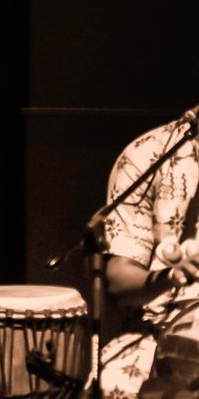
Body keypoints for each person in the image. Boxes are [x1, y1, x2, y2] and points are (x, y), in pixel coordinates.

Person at [101, 116, 199, 398]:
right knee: (111, 384)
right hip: (161, 331)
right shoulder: (150, 153)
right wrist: (170, 277)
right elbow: (118, 281)